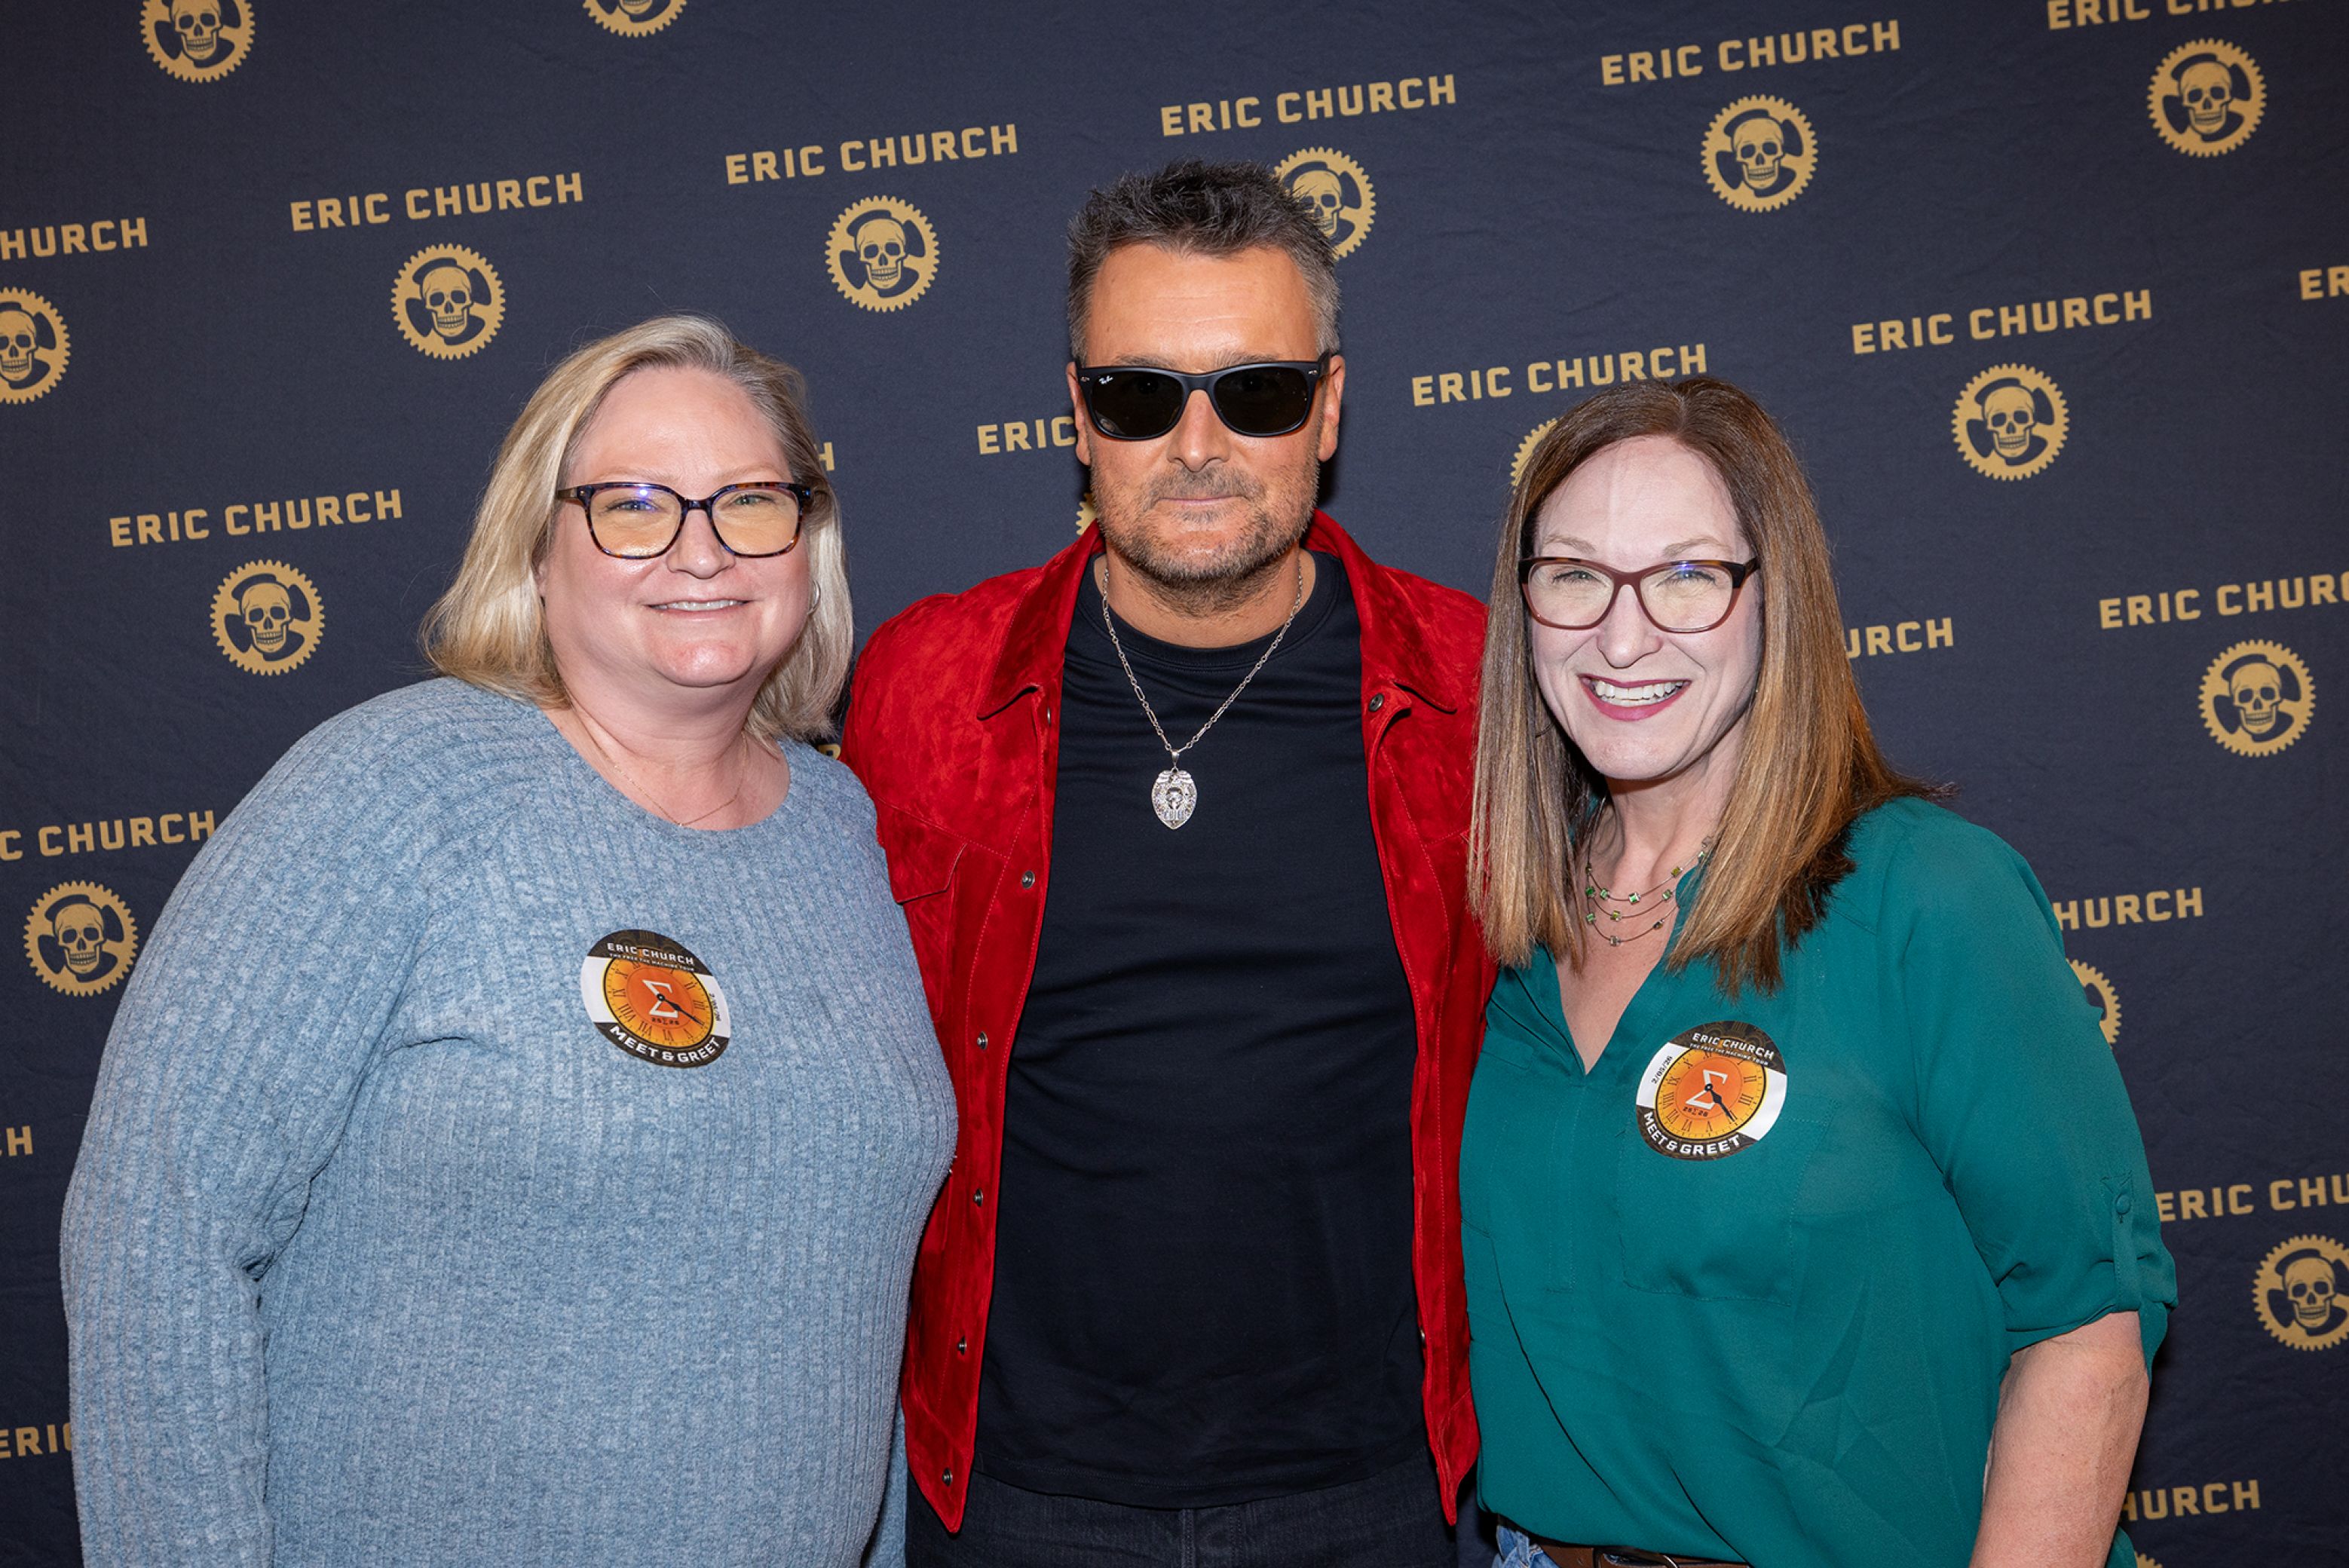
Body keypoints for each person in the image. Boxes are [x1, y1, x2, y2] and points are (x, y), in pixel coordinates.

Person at [61, 315, 954, 1568]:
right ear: (537, 551)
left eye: (750, 502)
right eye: (634, 506)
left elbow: (861, 1324)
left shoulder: (856, 833)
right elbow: (161, 1227)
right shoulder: (392, 790)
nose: (701, 548)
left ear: (808, 541)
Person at [841, 159, 1493, 1566]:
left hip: (1381, 1493)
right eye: (1142, 395)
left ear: (1329, 406)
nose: (1199, 444)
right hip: (1008, 1499)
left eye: (1256, 392)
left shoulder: (1476, 689)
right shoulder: (923, 685)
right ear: (1079, 415)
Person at [1462, 376, 2175, 1568]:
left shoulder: (1924, 896)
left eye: (1687, 576)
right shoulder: (1494, 923)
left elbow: (2087, 1333)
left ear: (1774, 598)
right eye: (1574, 576)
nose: (1621, 638)